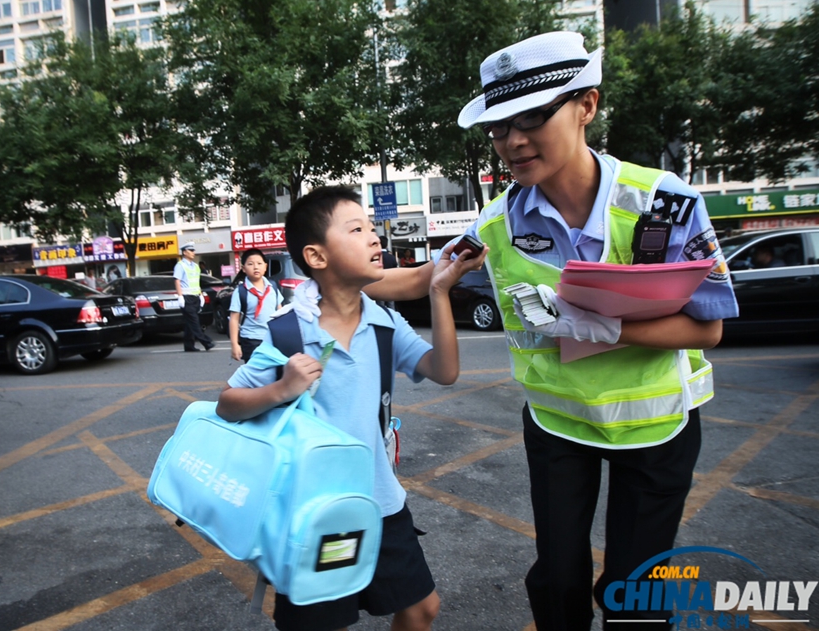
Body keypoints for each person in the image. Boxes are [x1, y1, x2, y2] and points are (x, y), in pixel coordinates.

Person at [365, 31, 739, 630]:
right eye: (497, 126)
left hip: (659, 423)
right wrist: (324, 282)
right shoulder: (498, 219)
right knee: (558, 578)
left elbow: (709, 329)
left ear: (586, 105)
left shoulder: (663, 203)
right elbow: (421, 277)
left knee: (637, 592)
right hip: (556, 423)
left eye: (534, 116)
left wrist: (596, 325)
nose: (512, 140)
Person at [217, 185, 486, 631]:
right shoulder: (287, 332)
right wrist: (283, 388)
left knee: (422, 608)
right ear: (317, 257)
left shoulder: (383, 321)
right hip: (315, 518)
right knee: (324, 624)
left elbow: (444, 371)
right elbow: (228, 404)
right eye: (357, 229)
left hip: (382, 502)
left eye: (372, 228)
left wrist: (439, 292)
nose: (374, 238)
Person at [228, 248, 283, 362]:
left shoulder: (273, 287)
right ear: (243, 268)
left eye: (259, 263)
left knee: (275, 374)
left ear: (265, 267)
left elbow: (280, 312)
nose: (256, 267)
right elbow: (234, 319)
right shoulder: (240, 291)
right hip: (250, 340)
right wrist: (235, 344)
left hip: (273, 338)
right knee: (256, 376)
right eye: (250, 264)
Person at [173, 242, 215, 353]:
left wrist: (201, 295)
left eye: (193, 250)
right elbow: (177, 280)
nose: (193, 252)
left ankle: (189, 346)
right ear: (184, 252)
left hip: (196, 297)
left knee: (189, 323)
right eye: (191, 250)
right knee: (194, 322)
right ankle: (207, 342)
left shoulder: (196, 266)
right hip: (186, 298)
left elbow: (197, 282)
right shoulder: (180, 265)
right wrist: (180, 296)